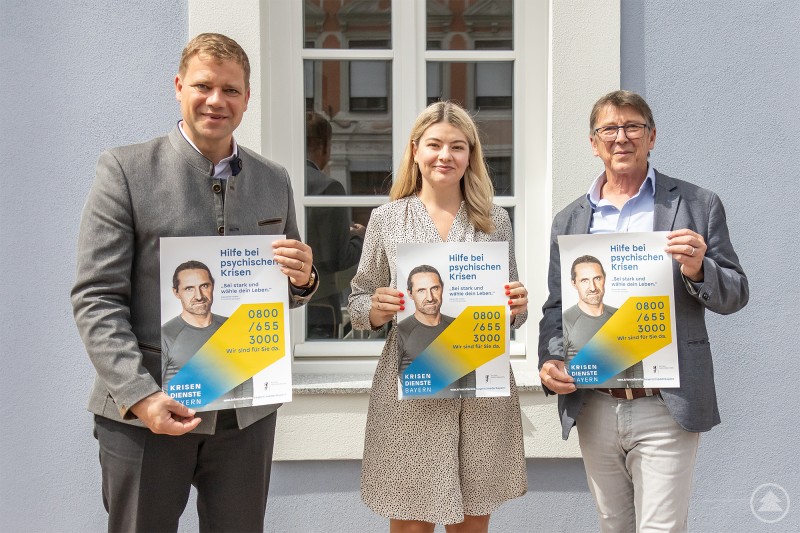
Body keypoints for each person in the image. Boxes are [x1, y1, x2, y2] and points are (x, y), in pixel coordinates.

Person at [71, 33, 318, 532]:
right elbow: (96, 298)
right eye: (204, 86)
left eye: (231, 90)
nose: (216, 101)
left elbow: (283, 290)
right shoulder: (125, 170)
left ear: (247, 99)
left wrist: (303, 277)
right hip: (148, 411)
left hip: (243, 416)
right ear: (179, 86)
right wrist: (141, 395)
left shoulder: (275, 179)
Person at [538, 90, 749, 532]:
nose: (621, 138)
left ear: (652, 137)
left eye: (633, 127)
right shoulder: (569, 220)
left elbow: (735, 293)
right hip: (594, 402)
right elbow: (557, 308)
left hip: (665, 401)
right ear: (593, 143)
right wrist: (551, 359)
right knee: (613, 526)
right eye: (608, 129)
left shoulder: (696, 203)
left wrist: (698, 268)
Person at [348, 101, 529, 532]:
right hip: (411, 391)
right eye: (434, 145)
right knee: (410, 525)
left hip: (479, 390)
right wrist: (375, 308)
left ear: (471, 155)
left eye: (457, 147)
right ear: (415, 151)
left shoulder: (495, 221)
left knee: (472, 524)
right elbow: (357, 301)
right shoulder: (387, 219)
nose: (445, 156)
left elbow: (508, 311)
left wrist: (517, 307)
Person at [305, 111, 365, 338]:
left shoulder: (278, 180)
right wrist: (359, 236)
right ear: (324, 147)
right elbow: (341, 257)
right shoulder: (328, 188)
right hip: (321, 305)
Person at [161, 260, 252, 410]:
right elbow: (156, 393)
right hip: (182, 426)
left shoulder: (232, 328)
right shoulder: (166, 334)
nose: (199, 296)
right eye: (189, 288)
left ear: (213, 286)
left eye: (204, 286)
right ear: (176, 292)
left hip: (231, 425)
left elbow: (245, 385)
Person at [397, 264, 475, 398]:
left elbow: (469, 386)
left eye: (435, 288)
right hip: (416, 416)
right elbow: (387, 385)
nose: (430, 297)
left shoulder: (459, 327)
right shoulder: (400, 331)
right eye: (421, 290)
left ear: (442, 288)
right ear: (410, 293)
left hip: (454, 416)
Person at [562, 255, 624, 388]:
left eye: (597, 278)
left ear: (604, 279)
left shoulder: (622, 316)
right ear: (574, 283)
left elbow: (635, 366)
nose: (593, 287)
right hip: (587, 403)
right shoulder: (565, 321)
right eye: (584, 280)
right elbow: (557, 369)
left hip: (631, 401)